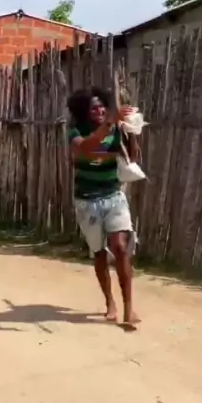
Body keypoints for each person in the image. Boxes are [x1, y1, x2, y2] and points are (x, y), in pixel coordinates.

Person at [67, 86, 140, 328]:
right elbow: (87, 149)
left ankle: (129, 308)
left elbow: (132, 157)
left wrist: (131, 131)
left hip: (113, 196)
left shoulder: (115, 128)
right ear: (83, 112)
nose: (99, 111)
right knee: (99, 252)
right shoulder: (76, 132)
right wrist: (110, 122)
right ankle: (110, 301)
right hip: (87, 201)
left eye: (102, 107)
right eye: (93, 108)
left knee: (120, 247)